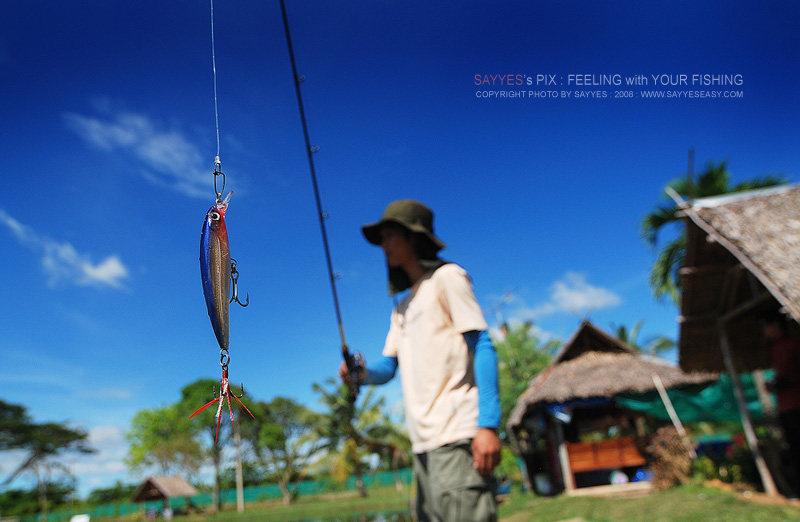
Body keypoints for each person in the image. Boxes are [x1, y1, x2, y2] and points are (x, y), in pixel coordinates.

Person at [339, 199, 501, 522]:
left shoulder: (447, 277)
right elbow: (388, 369)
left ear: (413, 236)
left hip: (456, 435)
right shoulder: (402, 308)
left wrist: (488, 425)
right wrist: (360, 374)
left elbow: (481, 344)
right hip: (423, 446)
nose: (383, 245)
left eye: (389, 235)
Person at [762, 308, 800, 498]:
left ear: (775, 326)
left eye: (766, 326)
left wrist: (783, 382)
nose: (764, 331)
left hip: (797, 404)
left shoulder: (793, 344)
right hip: (785, 408)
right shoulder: (774, 349)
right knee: (794, 448)